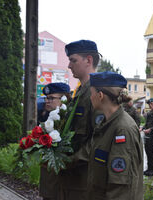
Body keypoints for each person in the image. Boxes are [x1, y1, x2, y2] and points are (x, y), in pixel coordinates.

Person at [87, 71, 143, 200]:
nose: (90, 98)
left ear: (100, 95)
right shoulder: (107, 123)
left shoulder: (122, 129)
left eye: (91, 93)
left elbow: (121, 190)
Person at [59, 39, 102, 200]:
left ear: (88, 60)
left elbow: (99, 139)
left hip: (84, 178)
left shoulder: (97, 93)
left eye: (73, 60)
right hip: (73, 176)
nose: (69, 65)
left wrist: (69, 160)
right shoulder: (80, 92)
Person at [38, 83, 70, 200]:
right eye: (46, 98)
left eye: (51, 98)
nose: (47, 101)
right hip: (48, 184)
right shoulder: (46, 118)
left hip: (63, 185)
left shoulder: (68, 121)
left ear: (63, 99)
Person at [140, 98, 153, 176]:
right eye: (149, 104)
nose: (150, 105)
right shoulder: (149, 113)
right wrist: (142, 128)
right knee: (148, 152)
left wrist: (150, 129)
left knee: (152, 153)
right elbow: (147, 123)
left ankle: (152, 170)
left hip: (152, 136)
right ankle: (149, 168)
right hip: (147, 136)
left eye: (151, 104)